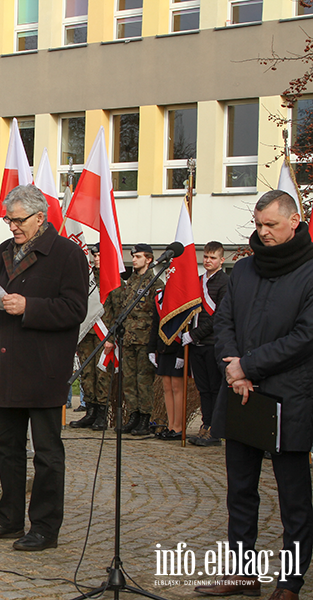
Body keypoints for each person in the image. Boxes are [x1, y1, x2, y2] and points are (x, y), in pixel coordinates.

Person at [195, 190, 313, 600]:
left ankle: (291, 581)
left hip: (289, 397)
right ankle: (243, 573)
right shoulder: (243, 272)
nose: (262, 233)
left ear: (294, 221)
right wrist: (235, 368)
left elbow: (304, 337)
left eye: (271, 225)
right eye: (258, 225)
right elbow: (223, 323)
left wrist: (249, 365)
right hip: (240, 392)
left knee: (293, 495)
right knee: (240, 489)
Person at [0, 184, 88, 552]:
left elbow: (74, 311)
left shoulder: (68, 254)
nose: (12, 227)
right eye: (9, 220)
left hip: (44, 369)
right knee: (7, 448)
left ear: (41, 217)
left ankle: (45, 527)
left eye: (18, 220)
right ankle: (9, 518)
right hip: (6, 366)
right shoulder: (3, 251)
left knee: (48, 454)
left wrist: (30, 307)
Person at [102, 244, 161, 437]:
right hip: (127, 339)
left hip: (144, 340)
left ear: (149, 259)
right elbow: (120, 311)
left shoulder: (155, 284)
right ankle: (133, 415)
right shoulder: (130, 284)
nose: (133, 260)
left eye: (138, 256)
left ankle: (145, 417)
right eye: (133, 256)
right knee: (129, 381)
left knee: (143, 381)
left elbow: (158, 315)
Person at [183, 241, 228, 447]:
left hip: (213, 343)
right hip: (197, 344)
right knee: (203, 389)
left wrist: (194, 334)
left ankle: (216, 430)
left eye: (213, 258)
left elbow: (219, 316)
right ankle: (206, 425)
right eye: (206, 257)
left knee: (215, 389)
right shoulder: (198, 281)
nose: (208, 261)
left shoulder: (225, 282)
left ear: (221, 260)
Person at [70, 244, 110, 430]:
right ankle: (90, 411)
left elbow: (118, 309)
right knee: (86, 373)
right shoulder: (87, 277)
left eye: (100, 255)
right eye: (94, 255)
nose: (96, 258)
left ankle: (102, 414)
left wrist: (113, 336)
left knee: (101, 374)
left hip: (105, 333)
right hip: (87, 332)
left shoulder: (114, 280)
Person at [148, 290, 185, 440]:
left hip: (176, 348)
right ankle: (170, 425)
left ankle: (178, 426)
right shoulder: (160, 297)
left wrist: (182, 353)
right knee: (167, 387)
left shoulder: (182, 295)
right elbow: (156, 324)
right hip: (163, 347)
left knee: (177, 387)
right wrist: (151, 348)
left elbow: (184, 326)